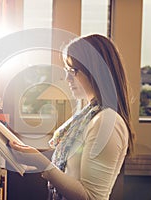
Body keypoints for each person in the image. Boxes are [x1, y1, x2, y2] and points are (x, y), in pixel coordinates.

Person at [9, 34, 135, 200]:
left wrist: (43, 164)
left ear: (96, 72)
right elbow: (71, 166)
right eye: (66, 70)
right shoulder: (88, 114)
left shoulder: (107, 122)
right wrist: (32, 154)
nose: (67, 78)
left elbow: (91, 197)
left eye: (73, 71)